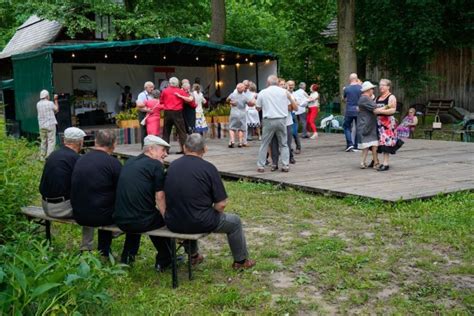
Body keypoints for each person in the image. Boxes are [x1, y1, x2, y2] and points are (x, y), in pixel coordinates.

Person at [164, 134, 256, 270]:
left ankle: (193, 255)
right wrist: (212, 215)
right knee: (234, 222)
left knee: (188, 210)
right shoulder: (208, 168)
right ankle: (241, 261)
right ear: (205, 149)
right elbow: (221, 204)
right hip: (199, 221)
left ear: (184, 147)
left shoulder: (172, 167)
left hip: (174, 222)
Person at [114, 135, 173, 270]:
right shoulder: (156, 165)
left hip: (120, 218)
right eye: (163, 150)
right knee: (159, 220)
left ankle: (128, 257)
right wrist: (166, 217)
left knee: (139, 215)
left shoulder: (130, 161)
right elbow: (160, 196)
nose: (166, 154)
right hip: (140, 220)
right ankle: (166, 258)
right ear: (151, 150)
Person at [39, 127, 94, 251]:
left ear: (65, 140)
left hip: (45, 206)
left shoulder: (53, 155)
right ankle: (87, 249)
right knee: (91, 210)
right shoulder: (76, 159)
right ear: (80, 142)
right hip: (60, 209)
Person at [71, 130, 122, 257]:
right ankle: (106, 250)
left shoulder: (81, 159)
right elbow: (122, 191)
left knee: (99, 201)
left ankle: (97, 249)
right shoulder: (114, 163)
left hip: (78, 213)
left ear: (95, 142)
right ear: (114, 144)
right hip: (102, 216)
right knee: (110, 205)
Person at [256, 75, 297, 173]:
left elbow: (258, 108)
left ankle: (261, 166)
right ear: (277, 82)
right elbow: (292, 105)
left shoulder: (263, 92)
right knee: (283, 143)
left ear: (268, 82)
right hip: (282, 120)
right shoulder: (284, 92)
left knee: (265, 143)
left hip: (268, 120)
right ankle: (285, 165)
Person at [373, 79, 402, 171]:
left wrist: (380, 111)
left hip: (387, 123)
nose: (381, 87)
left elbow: (392, 109)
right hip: (378, 122)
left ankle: (385, 164)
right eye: (380, 85)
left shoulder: (391, 97)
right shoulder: (377, 98)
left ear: (388, 87)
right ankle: (374, 160)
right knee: (376, 142)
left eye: (383, 85)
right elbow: (373, 108)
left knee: (386, 142)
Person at [160, 77, 190, 154]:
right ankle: (185, 150)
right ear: (177, 84)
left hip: (167, 112)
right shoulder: (180, 91)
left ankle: (165, 150)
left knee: (166, 132)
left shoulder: (164, 91)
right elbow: (187, 100)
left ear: (169, 83)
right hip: (178, 112)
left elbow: (161, 101)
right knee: (182, 132)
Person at [356, 82, 380, 169]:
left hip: (365, 124)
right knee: (373, 144)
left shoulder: (364, 98)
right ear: (368, 90)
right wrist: (388, 107)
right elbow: (375, 107)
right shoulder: (365, 98)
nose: (373, 90)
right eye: (372, 89)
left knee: (366, 145)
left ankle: (363, 162)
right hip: (367, 124)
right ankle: (375, 162)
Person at [227, 83, 254, 148]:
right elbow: (250, 104)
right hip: (242, 114)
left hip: (234, 113)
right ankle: (240, 142)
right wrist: (254, 102)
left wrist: (230, 102)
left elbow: (227, 99)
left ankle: (232, 141)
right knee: (241, 129)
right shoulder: (245, 97)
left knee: (231, 128)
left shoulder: (232, 95)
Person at [37, 90, 59, 160]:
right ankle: (49, 157)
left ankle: (42, 157)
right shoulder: (50, 103)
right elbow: (57, 109)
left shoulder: (38, 104)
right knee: (51, 141)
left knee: (43, 141)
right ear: (46, 96)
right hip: (50, 125)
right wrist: (56, 100)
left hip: (41, 125)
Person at [343, 73, 362, 152]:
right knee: (358, 128)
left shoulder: (346, 89)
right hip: (359, 110)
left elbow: (344, 99)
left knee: (346, 126)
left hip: (349, 110)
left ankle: (349, 144)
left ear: (350, 79)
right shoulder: (361, 88)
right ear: (357, 79)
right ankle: (356, 145)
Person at [137, 82, 155, 147]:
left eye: (153, 87)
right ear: (145, 88)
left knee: (150, 130)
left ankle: (150, 146)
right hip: (143, 113)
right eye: (151, 87)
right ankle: (144, 146)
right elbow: (139, 106)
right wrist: (147, 110)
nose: (152, 89)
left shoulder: (152, 95)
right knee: (144, 130)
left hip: (151, 114)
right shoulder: (141, 95)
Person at [287, 80, 302, 155]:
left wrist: (294, 103)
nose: (290, 86)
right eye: (289, 85)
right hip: (286, 115)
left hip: (293, 114)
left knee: (294, 132)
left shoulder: (295, 94)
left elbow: (298, 104)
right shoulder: (284, 93)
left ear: (294, 86)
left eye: (292, 85)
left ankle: (298, 147)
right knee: (287, 133)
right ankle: (289, 148)